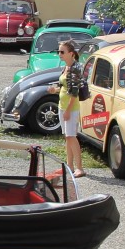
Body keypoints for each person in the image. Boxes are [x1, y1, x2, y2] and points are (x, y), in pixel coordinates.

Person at [47, 39, 86, 178]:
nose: (60, 54)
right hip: (63, 106)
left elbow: (74, 93)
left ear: (71, 53)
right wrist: (54, 90)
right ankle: (70, 165)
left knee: (71, 136)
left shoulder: (75, 68)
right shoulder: (66, 67)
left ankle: (79, 168)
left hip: (71, 107)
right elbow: (64, 88)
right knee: (67, 137)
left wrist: (68, 111)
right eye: (59, 51)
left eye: (62, 52)